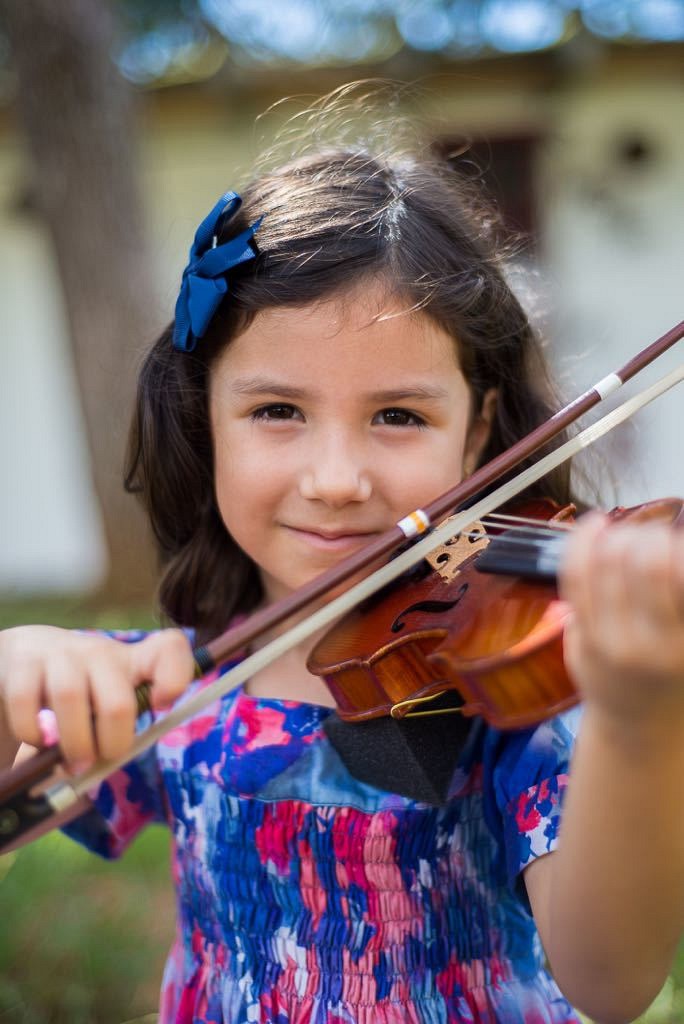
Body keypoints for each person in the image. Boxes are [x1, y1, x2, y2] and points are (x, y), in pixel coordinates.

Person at [1, 101, 684, 1024]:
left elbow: (612, 983)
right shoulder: (175, 683)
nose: (334, 480)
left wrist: (638, 725)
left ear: (478, 431)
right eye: (277, 410)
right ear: (206, 421)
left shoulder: (522, 700)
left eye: (399, 415)